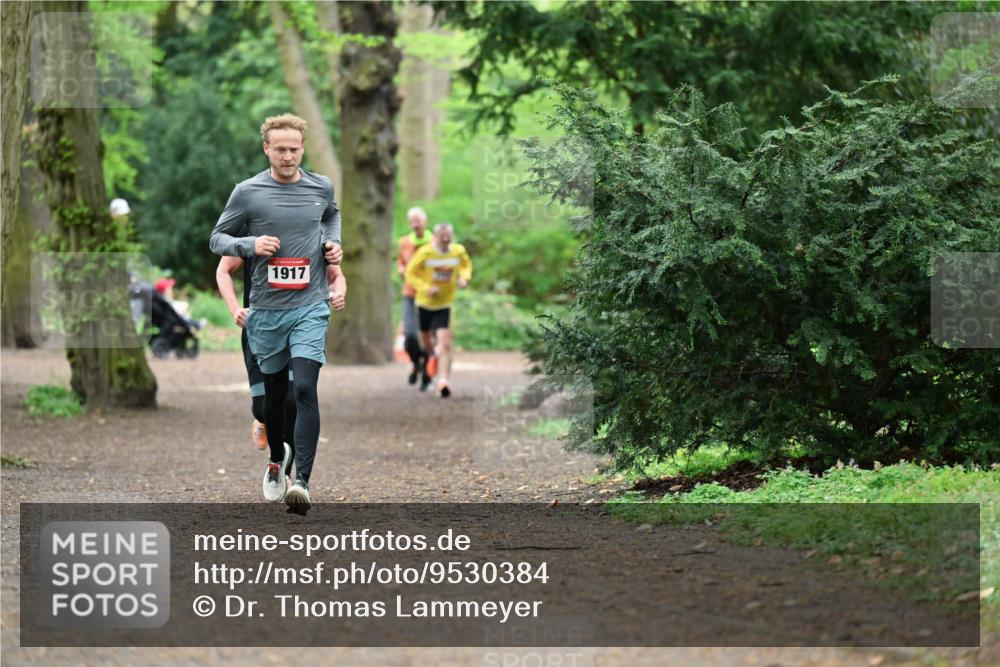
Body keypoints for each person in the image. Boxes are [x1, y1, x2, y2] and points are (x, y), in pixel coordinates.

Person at [209, 113, 342, 513]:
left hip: (310, 306)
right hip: (266, 311)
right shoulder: (248, 192)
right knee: (272, 401)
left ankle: (302, 481)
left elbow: (331, 215)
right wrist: (250, 245)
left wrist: (332, 244)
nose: (288, 155)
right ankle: (275, 461)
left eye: (295, 148)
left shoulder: (321, 186)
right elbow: (217, 239)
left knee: (303, 388)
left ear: (303, 148)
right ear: (266, 148)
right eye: (280, 149)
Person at [216, 256, 345, 453]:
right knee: (263, 407)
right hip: (261, 327)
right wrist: (235, 309)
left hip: (300, 325)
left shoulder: (313, 228)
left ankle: (283, 472)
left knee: (293, 400)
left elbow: (336, 275)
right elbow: (223, 270)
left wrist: (339, 293)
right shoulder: (251, 228)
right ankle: (261, 420)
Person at [404, 223, 472, 397]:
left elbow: (465, 265)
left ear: (452, 235)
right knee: (425, 341)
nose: (445, 238)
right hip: (425, 303)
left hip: (445, 304)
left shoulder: (458, 251)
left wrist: (464, 278)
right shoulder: (425, 253)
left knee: (445, 342)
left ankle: (443, 381)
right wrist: (426, 287)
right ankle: (432, 356)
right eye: (442, 235)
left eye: (448, 235)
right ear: (435, 236)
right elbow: (410, 273)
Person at [396, 207, 432, 387]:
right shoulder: (404, 242)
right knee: (410, 335)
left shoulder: (434, 242)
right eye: (413, 221)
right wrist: (401, 269)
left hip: (430, 297)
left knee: (428, 337)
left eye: (419, 220)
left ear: (426, 222)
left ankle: (426, 372)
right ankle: (415, 362)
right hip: (410, 294)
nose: (416, 224)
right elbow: (401, 263)